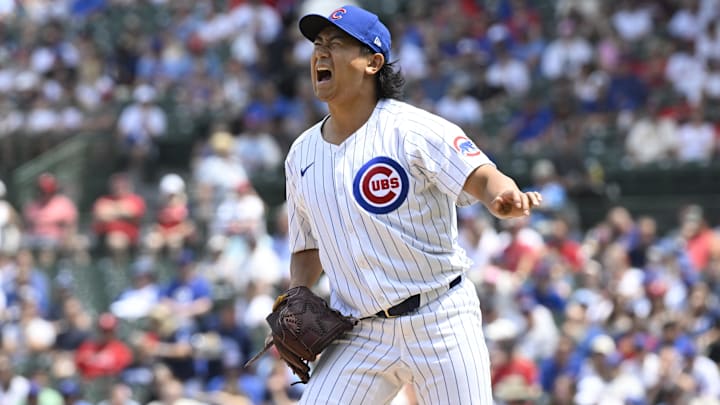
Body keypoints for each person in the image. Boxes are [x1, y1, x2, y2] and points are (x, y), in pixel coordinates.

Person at [281, 5, 543, 404]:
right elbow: (307, 246)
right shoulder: (301, 154)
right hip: (360, 334)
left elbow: (483, 174)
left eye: (335, 45)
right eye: (317, 45)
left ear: (373, 62)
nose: (320, 53)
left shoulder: (414, 130)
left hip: (440, 317)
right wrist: (295, 298)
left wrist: (501, 195)